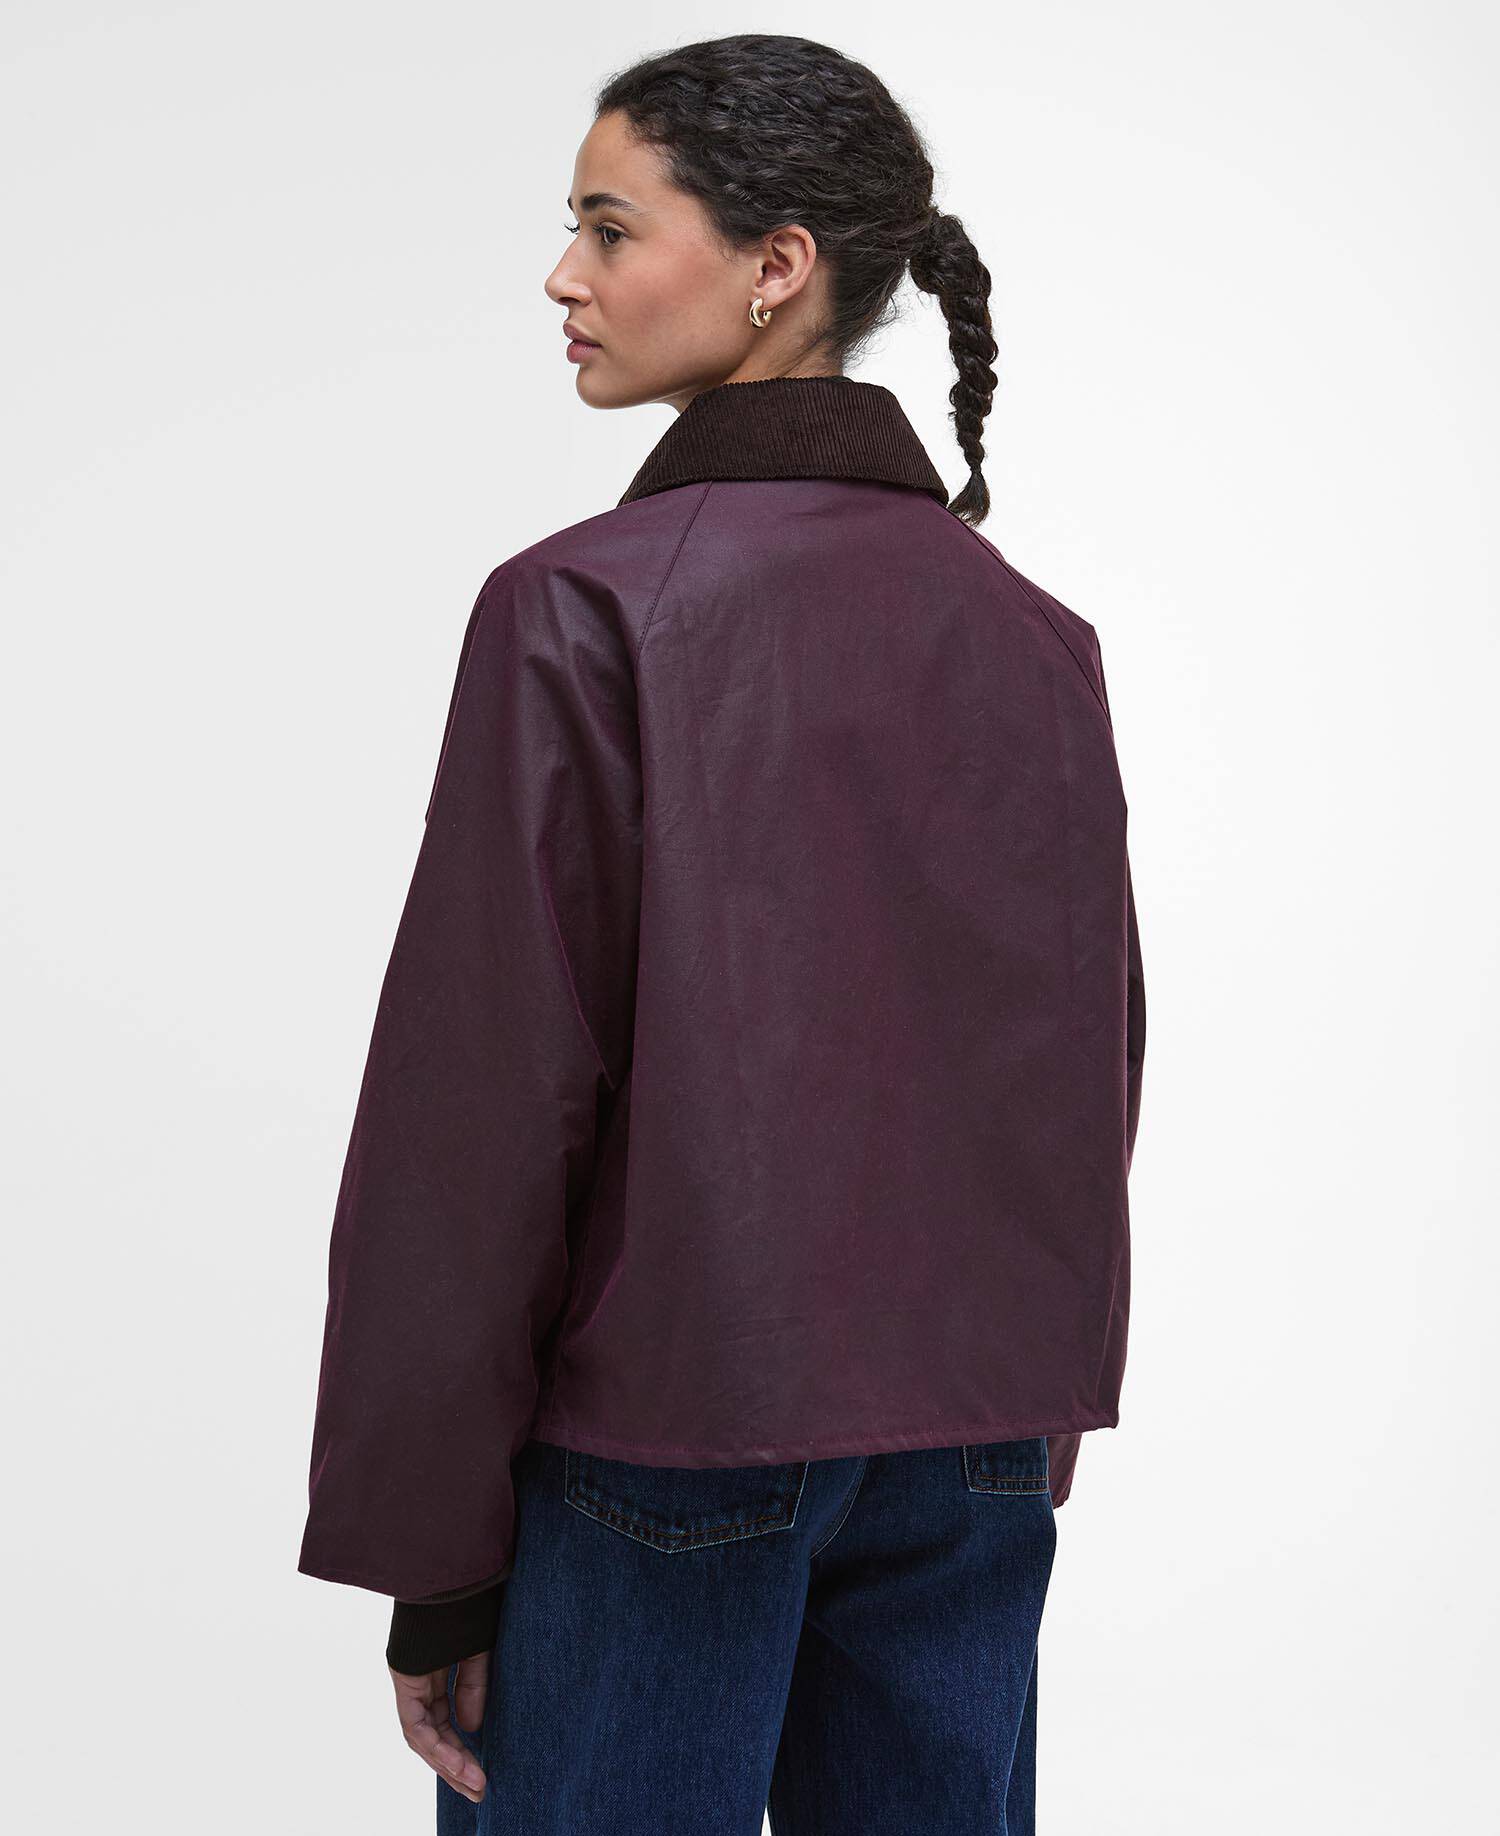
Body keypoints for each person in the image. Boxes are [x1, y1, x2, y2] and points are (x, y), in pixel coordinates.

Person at [297, 33, 1145, 1835]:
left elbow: (482, 1107)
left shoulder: (578, 609)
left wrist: (433, 1552)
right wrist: (1028, 1418)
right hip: (972, 1450)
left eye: (611, 228)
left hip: (659, 1450)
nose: (563, 275)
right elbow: (1088, 1057)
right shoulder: (1033, 634)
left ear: (779, 266)